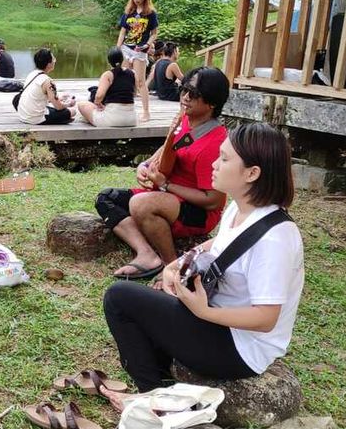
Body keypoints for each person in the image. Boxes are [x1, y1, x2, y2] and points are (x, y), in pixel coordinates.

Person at [101, 123, 303, 403]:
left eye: (224, 159)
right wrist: (176, 264)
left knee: (119, 297)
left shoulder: (275, 239)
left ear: (252, 173)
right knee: (152, 300)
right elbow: (220, 244)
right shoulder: (241, 207)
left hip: (240, 349)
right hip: (220, 325)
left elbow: (266, 318)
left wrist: (203, 311)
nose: (214, 164)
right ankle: (163, 381)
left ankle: (151, 399)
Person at [102, 66, 230, 280]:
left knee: (140, 204)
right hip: (166, 196)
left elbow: (214, 201)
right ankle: (146, 254)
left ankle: (171, 266)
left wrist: (165, 184)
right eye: (185, 89)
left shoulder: (214, 143)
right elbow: (170, 147)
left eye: (194, 94)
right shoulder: (186, 119)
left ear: (212, 103)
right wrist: (145, 165)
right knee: (106, 199)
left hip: (197, 212)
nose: (186, 97)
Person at [116, 0, 158, 122]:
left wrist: (147, 44)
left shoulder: (150, 13)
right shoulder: (129, 11)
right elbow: (122, 32)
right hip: (126, 49)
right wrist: (118, 48)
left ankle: (146, 112)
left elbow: (154, 34)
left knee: (140, 82)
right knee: (122, 78)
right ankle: (120, 108)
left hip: (140, 51)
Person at [77, 47, 137, 128]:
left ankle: (88, 118)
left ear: (109, 61)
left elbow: (99, 96)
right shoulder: (133, 73)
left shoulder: (108, 75)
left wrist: (98, 104)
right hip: (131, 119)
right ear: (122, 59)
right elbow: (134, 93)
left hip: (112, 120)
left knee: (82, 105)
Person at [16, 48, 76, 125]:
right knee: (72, 111)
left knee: (54, 108)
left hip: (23, 115)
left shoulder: (31, 74)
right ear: (48, 64)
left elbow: (38, 97)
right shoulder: (48, 81)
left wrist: (60, 98)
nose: (55, 60)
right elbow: (58, 107)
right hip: (35, 118)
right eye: (53, 59)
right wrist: (69, 104)